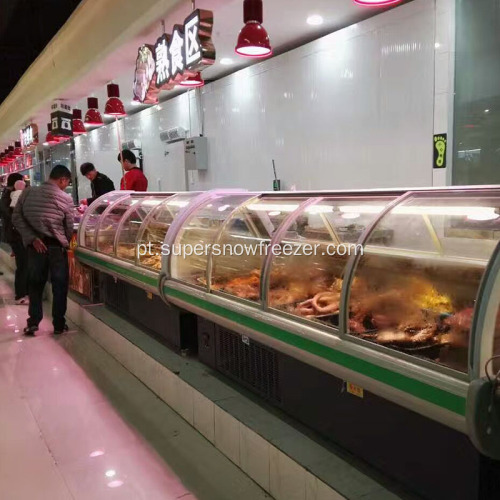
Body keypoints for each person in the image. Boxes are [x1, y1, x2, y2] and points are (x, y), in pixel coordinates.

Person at [13, 165, 74, 336]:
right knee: (60, 287)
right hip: (56, 248)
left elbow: (16, 217)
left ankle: (33, 322)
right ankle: (59, 325)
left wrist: (32, 238)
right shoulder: (65, 198)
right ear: (62, 179)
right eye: (66, 183)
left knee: (35, 285)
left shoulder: (27, 192)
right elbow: (68, 226)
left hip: (35, 248)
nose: (65, 186)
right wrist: (65, 242)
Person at [0, 173, 26, 296]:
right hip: (15, 234)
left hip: (13, 234)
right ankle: (20, 294)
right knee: (22, 264)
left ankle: (22, 292)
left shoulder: (8, 194)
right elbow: (12, 216)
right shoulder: (10, 196)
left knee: (22, 263)